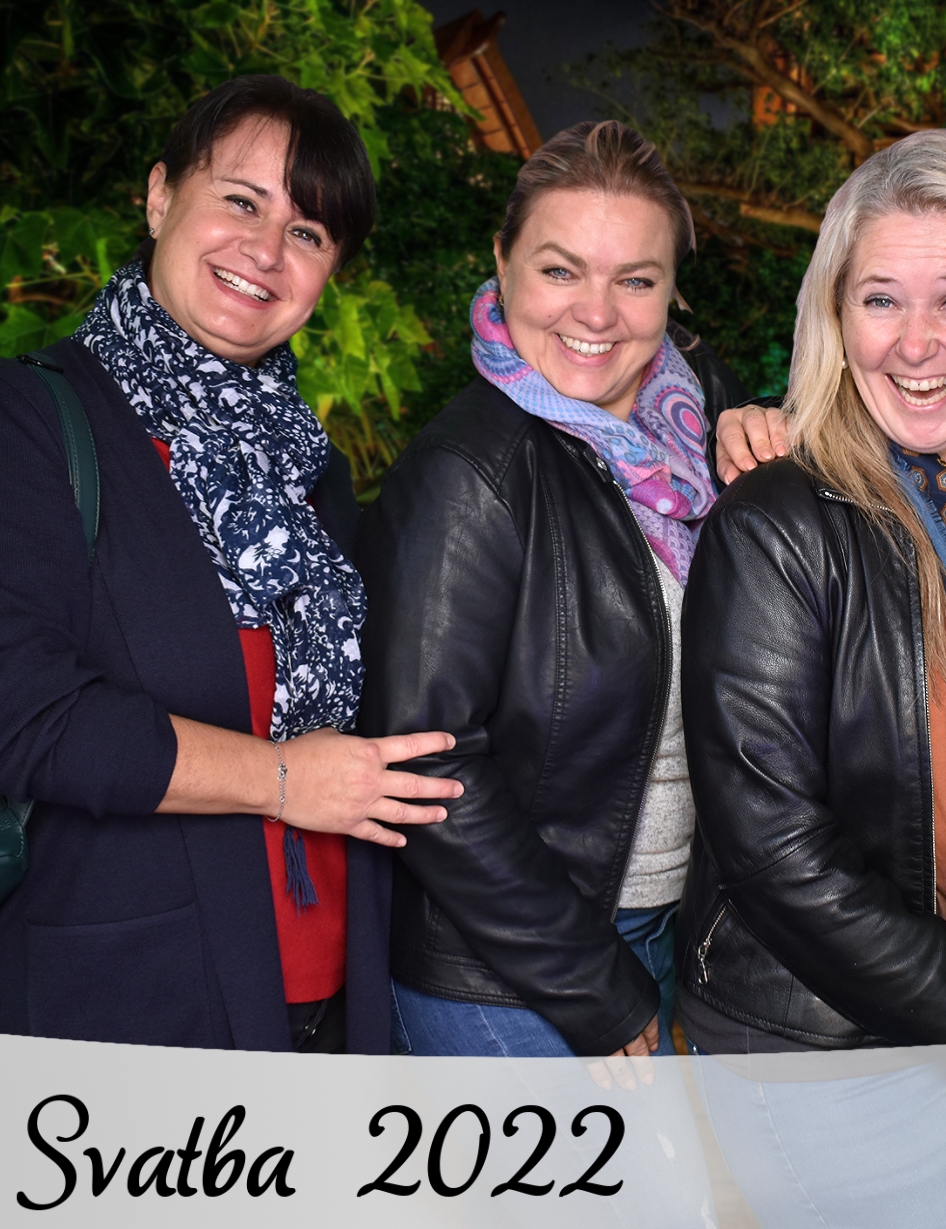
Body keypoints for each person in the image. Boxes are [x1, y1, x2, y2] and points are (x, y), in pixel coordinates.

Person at [0, 75, 461, 1053]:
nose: (266, 250)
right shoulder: (20, 418)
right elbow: (4, 711)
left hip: (337, 995)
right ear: (161, 195)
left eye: (308, 232)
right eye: (241, 201)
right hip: (130, 1011)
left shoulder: (305, 467)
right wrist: (280, 779)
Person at [675, 130, 946, 1227]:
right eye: (880, 299)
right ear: (836, 317)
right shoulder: (780, 524)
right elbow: (771, 844)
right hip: (830, 1041)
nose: (916, 344)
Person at [355, 121, 751, 1065]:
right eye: (560, 270)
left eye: (636, 280)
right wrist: (591, 983)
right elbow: (428, 767)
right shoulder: (469, 474)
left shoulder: (698, 429)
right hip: (505, 966)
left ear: (673, 290)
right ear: (502, 262)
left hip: (661, 926)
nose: (597, 314)